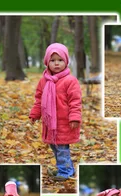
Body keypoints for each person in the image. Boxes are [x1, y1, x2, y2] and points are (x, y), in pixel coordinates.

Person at [29, 43, 82, 181]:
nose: (56, 63)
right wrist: (35, 114)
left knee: (62, 148)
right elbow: (39, 99)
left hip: (64, 122)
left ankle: (65, 172)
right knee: (55, 147)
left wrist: (75, 117)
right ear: (47, 62)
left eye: (60, 60)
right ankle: (66, 168)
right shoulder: (44, 81)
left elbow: (75, 101)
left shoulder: (70, 81)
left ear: (66, 62)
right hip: (50, 123)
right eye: (53, 60)